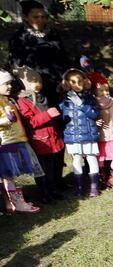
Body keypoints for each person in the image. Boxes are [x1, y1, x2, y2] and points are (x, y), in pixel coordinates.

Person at [14, 66, 64, 201]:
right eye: (34, 81)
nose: (38, 84)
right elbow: (30, 122)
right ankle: (44, 194)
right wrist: (48, 114)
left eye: (39, 81)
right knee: (42, 170)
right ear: (25, 84)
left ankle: (53, 190)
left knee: (52, 168)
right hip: (40, 140)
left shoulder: (42, 97)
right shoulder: (23, 101)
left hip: (51, 138)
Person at [8, 0, 70, 106]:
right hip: (36, 90)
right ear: (26, 17)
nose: (41, 20)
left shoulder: (53, 35)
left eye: (43, 17)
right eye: (36, 17)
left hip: (59, 87)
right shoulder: (18, 39)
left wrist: (66, 77)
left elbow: (63, 59)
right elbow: (17, 66)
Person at [0, 69, 44, 213]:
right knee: (8, 174)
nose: (10, 86)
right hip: (5, 142)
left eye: (10, 83)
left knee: (10, 175)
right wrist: (7, 118)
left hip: (16, 140)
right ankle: (17, 204)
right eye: (6, 84)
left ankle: (13, 203)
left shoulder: (8, 99)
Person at [59, 69, 100, 197]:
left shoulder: (89, 97)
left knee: (91, 158)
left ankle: (94, 188)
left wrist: (81, 104)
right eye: (73, 82)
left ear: (85, 81)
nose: (78, 84)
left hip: (88, 133)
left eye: (80, 81)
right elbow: (62, 117)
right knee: (76, 159)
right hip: (73, 135)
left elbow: (94, 114)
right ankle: (80, 188)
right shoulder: (64, 100)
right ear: (67, 83)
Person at [88, 72, 113, 191]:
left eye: (106, 90)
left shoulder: (111, 101)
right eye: (101, 90)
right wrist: (94, 122)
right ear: (94, 91)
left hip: (110, 137)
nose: (105, 93)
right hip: (98, 137)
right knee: (100, 161)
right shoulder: (92, 104)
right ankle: (102, 179)